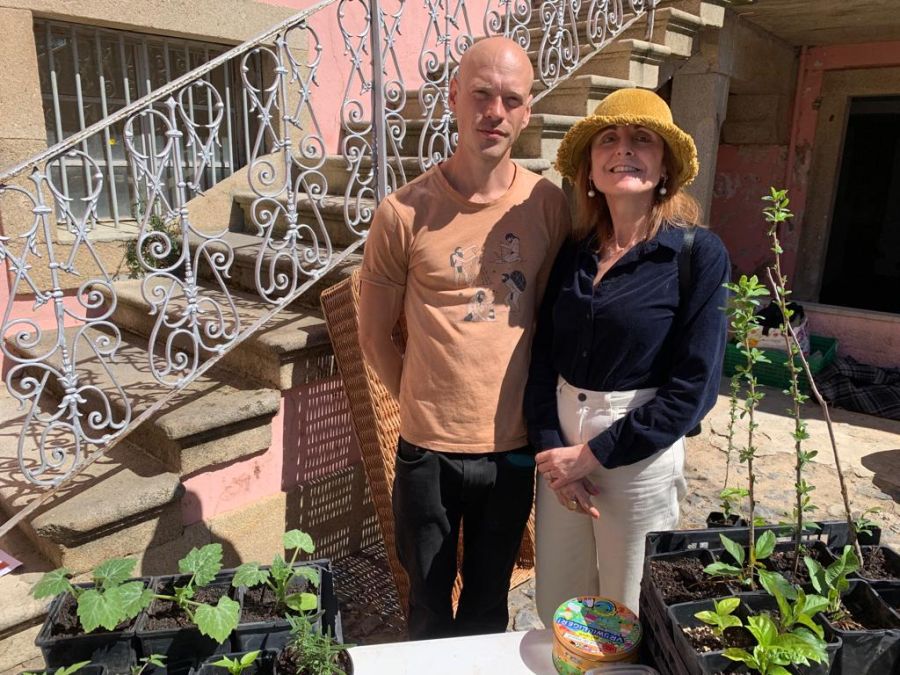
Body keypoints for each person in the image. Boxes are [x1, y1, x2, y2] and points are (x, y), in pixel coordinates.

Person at [358, 36, 570, 639]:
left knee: (487, 607)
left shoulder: (547, 205)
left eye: (511, 99)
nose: (493, 112)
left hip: (512, 452)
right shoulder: (403, 212)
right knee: (426, 607)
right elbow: (375, 337)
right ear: (453, 97)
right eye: (480, 94)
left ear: (527, 112)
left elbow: (555, 316)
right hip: (428, 455)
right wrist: (426, 409)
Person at [523, 88, 730, 623]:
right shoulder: (575, 249)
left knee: (627, 609)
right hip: (563, 444)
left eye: (643, 139)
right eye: (608, 139)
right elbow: (543, 355)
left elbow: (695, 389)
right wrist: (554, 453)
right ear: (590, 169)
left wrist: (592, 456)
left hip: (638, 445)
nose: (624, 150)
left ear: (665, 165)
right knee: (559, 605)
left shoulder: (696, 254)